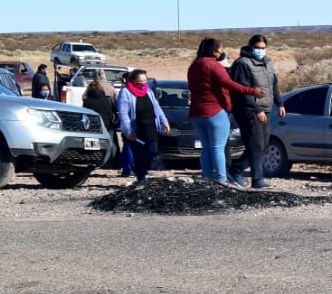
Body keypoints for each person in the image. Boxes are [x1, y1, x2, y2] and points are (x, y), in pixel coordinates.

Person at [187, 37, 264, 185]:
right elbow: (229, 83)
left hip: (197, 112)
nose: (221, 53)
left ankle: (207, 178)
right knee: (218, 148)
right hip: (215, 111)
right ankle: (222, 180)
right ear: (214, 52)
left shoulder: (193, 66)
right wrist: (251, 91)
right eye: (220, 51)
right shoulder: (213, 66)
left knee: (206, 147)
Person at [228, 34, 284, 189]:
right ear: (251, 47)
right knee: (256, 145)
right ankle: (257, 180)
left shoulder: (267, 62)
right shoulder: (243, 64)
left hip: (266, 109)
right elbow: (243, 90)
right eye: (258, 48)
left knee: (263, 144)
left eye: (263, 48)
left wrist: (280, 103)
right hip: (249, 111)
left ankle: (236, 169)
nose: (261, 51)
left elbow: (273, 84)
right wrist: (256, 108)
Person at [116, 69, 170, 183]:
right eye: (140, 81)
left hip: (150, 127)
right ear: (133, 80)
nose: (143, 83)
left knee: (152, 151)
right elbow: (123, 113)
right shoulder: (126, 92)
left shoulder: (148, 90)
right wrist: (128, 130)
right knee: (139, 154)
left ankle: (143, 172)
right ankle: (141, 177)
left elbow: (157, 108)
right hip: (136, 128)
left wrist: (164, 121)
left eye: (145, 80)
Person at [83, 79, 132, 176]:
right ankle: (114, 163)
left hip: (94, 127)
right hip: (108, 124)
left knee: (94, 146)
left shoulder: (87, 100)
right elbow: (116, 110)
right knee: (113, 145)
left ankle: (96, 163)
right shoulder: (107, 98)